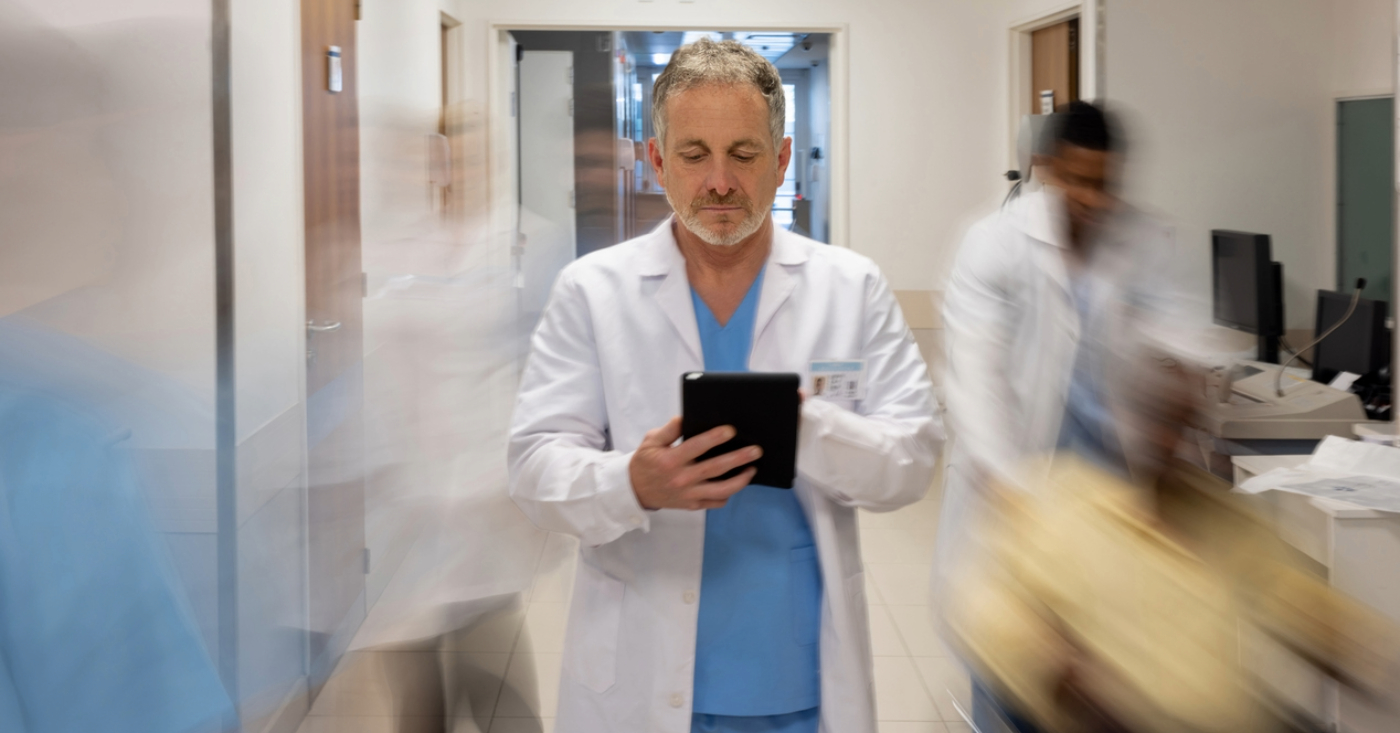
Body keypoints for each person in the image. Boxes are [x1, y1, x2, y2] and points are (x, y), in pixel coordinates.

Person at [508, 38, 942, 733]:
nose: (718, 181)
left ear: (781, 159)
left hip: (795, 673)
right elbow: (532, 468)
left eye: (743, 154)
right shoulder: (593, 291)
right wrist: (634, 483)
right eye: (693, 154)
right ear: (657, 161)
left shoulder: (850, 288)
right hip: (638, 670)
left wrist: (808, 429)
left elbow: (913, 460)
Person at [937, 101, 1189, 731]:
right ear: (1046, 169)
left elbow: (1172, 342)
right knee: (1013, 681)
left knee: (1107, 690)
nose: (1093, 199)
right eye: (1077, 180)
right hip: (1018, 503)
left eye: (1105, 183)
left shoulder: (1144, 241)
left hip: (1111, 509)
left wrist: (1173, 414)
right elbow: (977, 383)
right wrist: (1016, 506)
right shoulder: (995, 244)